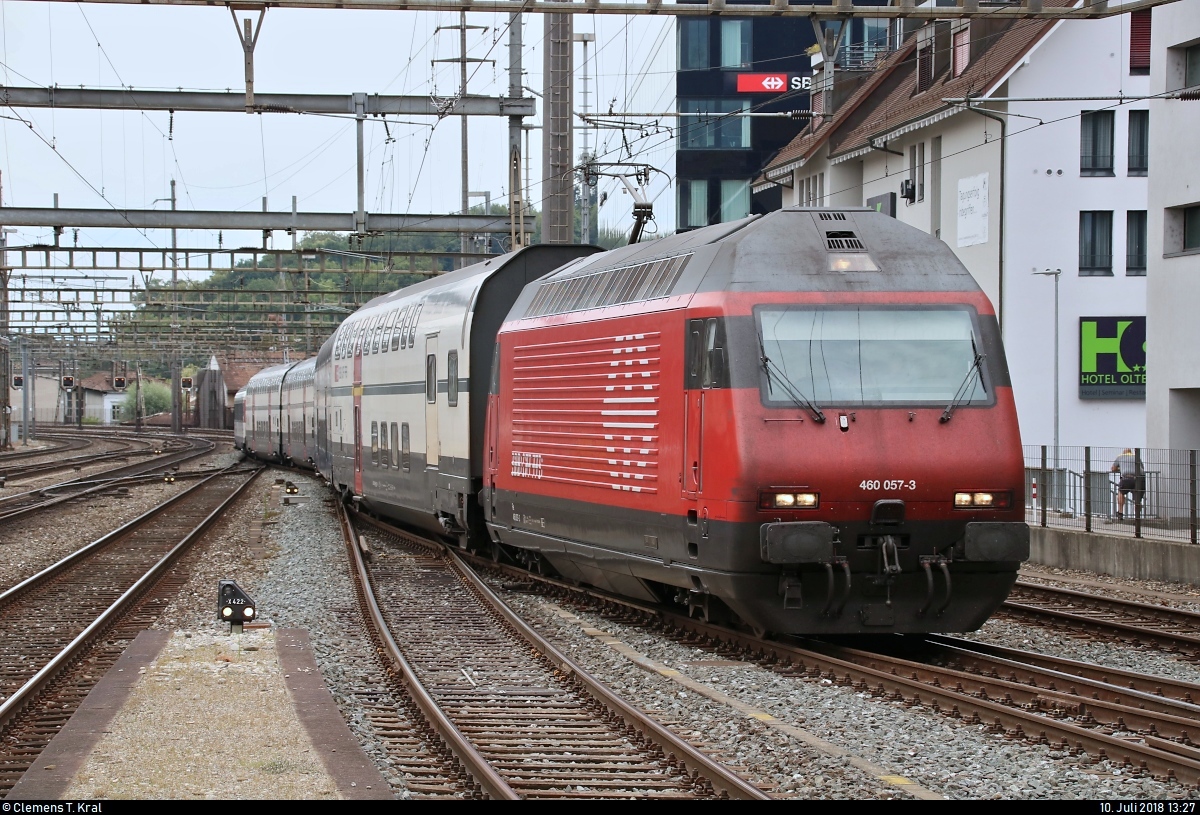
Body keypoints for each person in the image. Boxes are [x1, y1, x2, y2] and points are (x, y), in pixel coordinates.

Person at [1110, 449, 1142, 520]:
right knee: (1137, 498)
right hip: (1136, 479)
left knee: (1121, 493)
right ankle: (1137, 516)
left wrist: (1120, 469)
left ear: (1124, 453)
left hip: (1126, 478)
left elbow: (1113, 468)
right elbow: (1142, 468)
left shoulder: (1120, 457)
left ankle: (1120, 512)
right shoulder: (1136, 457)